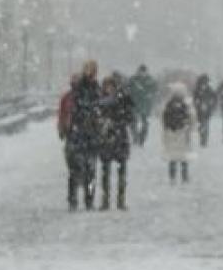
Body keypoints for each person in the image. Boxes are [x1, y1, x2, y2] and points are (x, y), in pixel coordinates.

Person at [62, 61, 103, 211]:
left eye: (92, 70)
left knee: (91, 171)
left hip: (91, 136)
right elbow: (75, 107)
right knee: (75, 169)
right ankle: (73, 200)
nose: (90, 72)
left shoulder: (97, 89)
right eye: (87, 69)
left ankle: (89, 200)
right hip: (78, 134)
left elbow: (99, 107)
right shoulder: (79, 89)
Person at [97, 75, 135, 211]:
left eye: (111, 86)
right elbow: (95, 119)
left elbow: (129, 118)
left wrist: (116, 123)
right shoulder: (100, 101)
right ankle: (105, 200)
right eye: (107, 86)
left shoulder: (122, 100)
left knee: (121, 172)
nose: (109, 89)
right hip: (106, 140)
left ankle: (120, 200)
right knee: (105, 172)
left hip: (119, 140)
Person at [162, 84, 196, 183]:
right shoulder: (185, 105)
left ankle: (172, 177)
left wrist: (168, 130)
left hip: (172, 134)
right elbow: (191, 119)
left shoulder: (169, 104)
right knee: (183, 157)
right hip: (183, 133)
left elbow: (165, 120)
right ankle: (184, 177)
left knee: (173, 156)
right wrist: (188, 128)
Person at [126, 64, 157, 147]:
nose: (142, 73)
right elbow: (127, 90)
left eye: (143, 71)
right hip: (134, 105)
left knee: (145, 124)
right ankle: (136, 137)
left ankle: (141, 139)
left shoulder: (150, 80)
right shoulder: (133, 80)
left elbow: (154, 92)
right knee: (133, 123)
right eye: (141, 71)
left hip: (145, 106)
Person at [193, 73, 217, 147]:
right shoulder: (198, 90)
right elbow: (194, 99)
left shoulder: (208, 89)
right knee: (202, 125)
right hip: (200, 110)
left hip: (206, 110)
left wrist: (211, 105)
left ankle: (204, 139)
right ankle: (203, 138)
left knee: (204, 124)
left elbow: (214, 98)